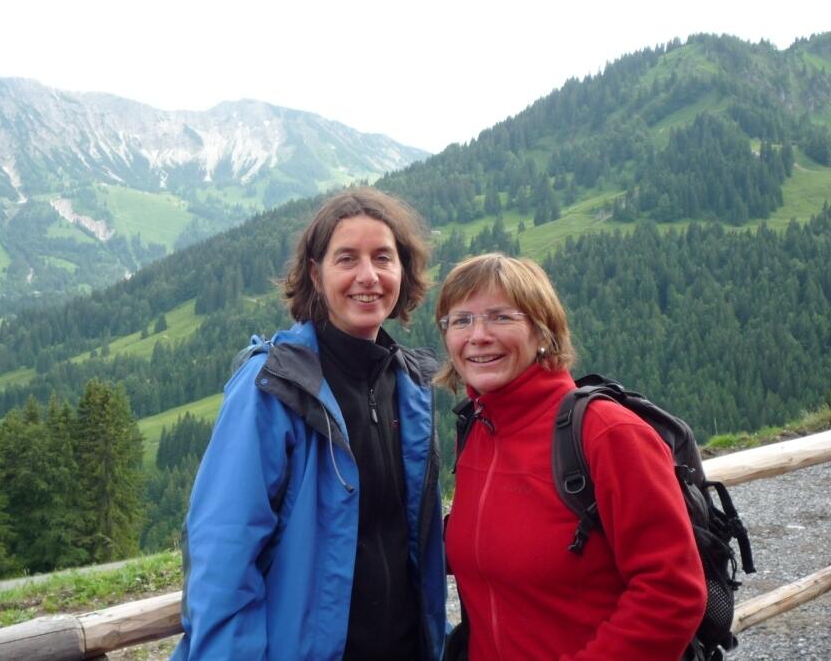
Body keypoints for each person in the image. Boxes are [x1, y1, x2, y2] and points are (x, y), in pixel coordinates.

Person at [171, 187, 447, 660]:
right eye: (347, 259)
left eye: (383, 257)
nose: (368, 276)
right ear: (316, 275)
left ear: (403, 270)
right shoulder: (274, 386)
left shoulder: (410, 387)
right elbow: (222, 557)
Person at [436, 252, 706, 660]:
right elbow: (485, 543)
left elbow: (672, 594)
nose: (478, 335)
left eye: (501, 317)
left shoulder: (607, 433)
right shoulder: (477, 428)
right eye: (461, 320)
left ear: (542, 331)